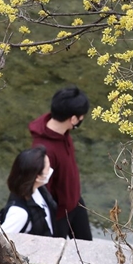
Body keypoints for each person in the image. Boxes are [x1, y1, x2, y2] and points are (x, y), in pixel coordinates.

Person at [29, 86, 93, 240]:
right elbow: (43, 192)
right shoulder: (45, 152)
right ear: (73, 119)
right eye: (81, 117)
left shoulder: (63, 131)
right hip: (59, 215)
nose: (81, 120)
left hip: (75, 200)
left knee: (87, 246)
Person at [0, 146, 57, 236]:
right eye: (48, 168)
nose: (51, 171)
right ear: (37, 177)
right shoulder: (19, 213)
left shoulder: (38, 188)